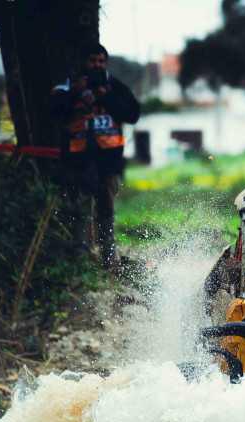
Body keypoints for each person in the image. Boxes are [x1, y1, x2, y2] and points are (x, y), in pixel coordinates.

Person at [51, 43, 141, 269]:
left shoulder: (114, 87)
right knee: (80, 208)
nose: (97, 65)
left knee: (107, 209)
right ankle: (80, 258)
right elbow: (53, 110)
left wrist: (105, 98)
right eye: (93, 61)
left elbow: (132, 114)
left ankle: (109, 258)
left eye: (101, 61)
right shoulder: (68, 86)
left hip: (108, 161)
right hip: (78, 161)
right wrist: (76, 94)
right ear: (83, 62)